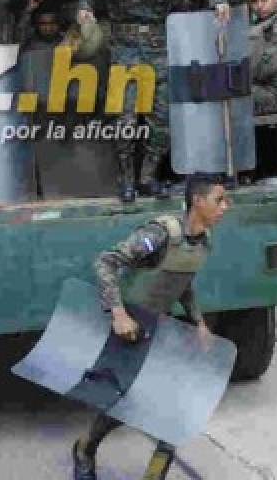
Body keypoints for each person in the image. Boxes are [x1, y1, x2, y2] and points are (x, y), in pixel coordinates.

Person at [72, 174, 228, 480]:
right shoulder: (161, 234)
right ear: (197, 201)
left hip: (159, 326)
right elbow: (106, 262)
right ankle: (84, 449)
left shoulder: (202, 242)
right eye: (219, 199)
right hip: (129, 326)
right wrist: (117, 313)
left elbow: (182, 282)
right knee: (121, 404)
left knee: (172, 409)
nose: (226, 206)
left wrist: (199, 323)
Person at [76, 0, 229, 203]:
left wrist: (218, 0)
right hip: (124, 52)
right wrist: (85, 9)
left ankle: (147, 178)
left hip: (160, 53)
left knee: (162, 121)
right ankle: (126, 181)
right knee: (125, 120)